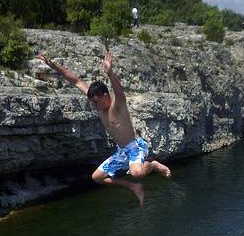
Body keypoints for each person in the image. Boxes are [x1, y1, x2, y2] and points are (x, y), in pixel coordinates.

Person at [36, 51, 171, 206]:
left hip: (135, 147)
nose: (94, 105)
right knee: (97, 177)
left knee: (137, 172)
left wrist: (110, 73)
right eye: (92, 102)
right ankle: (133, 187)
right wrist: (53, 65)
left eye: (96, 102)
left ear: (105, 96)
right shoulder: (98, 104)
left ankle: (153, 165)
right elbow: (76, 81)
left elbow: (119, 90)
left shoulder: (118, 106)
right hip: (121, 151)